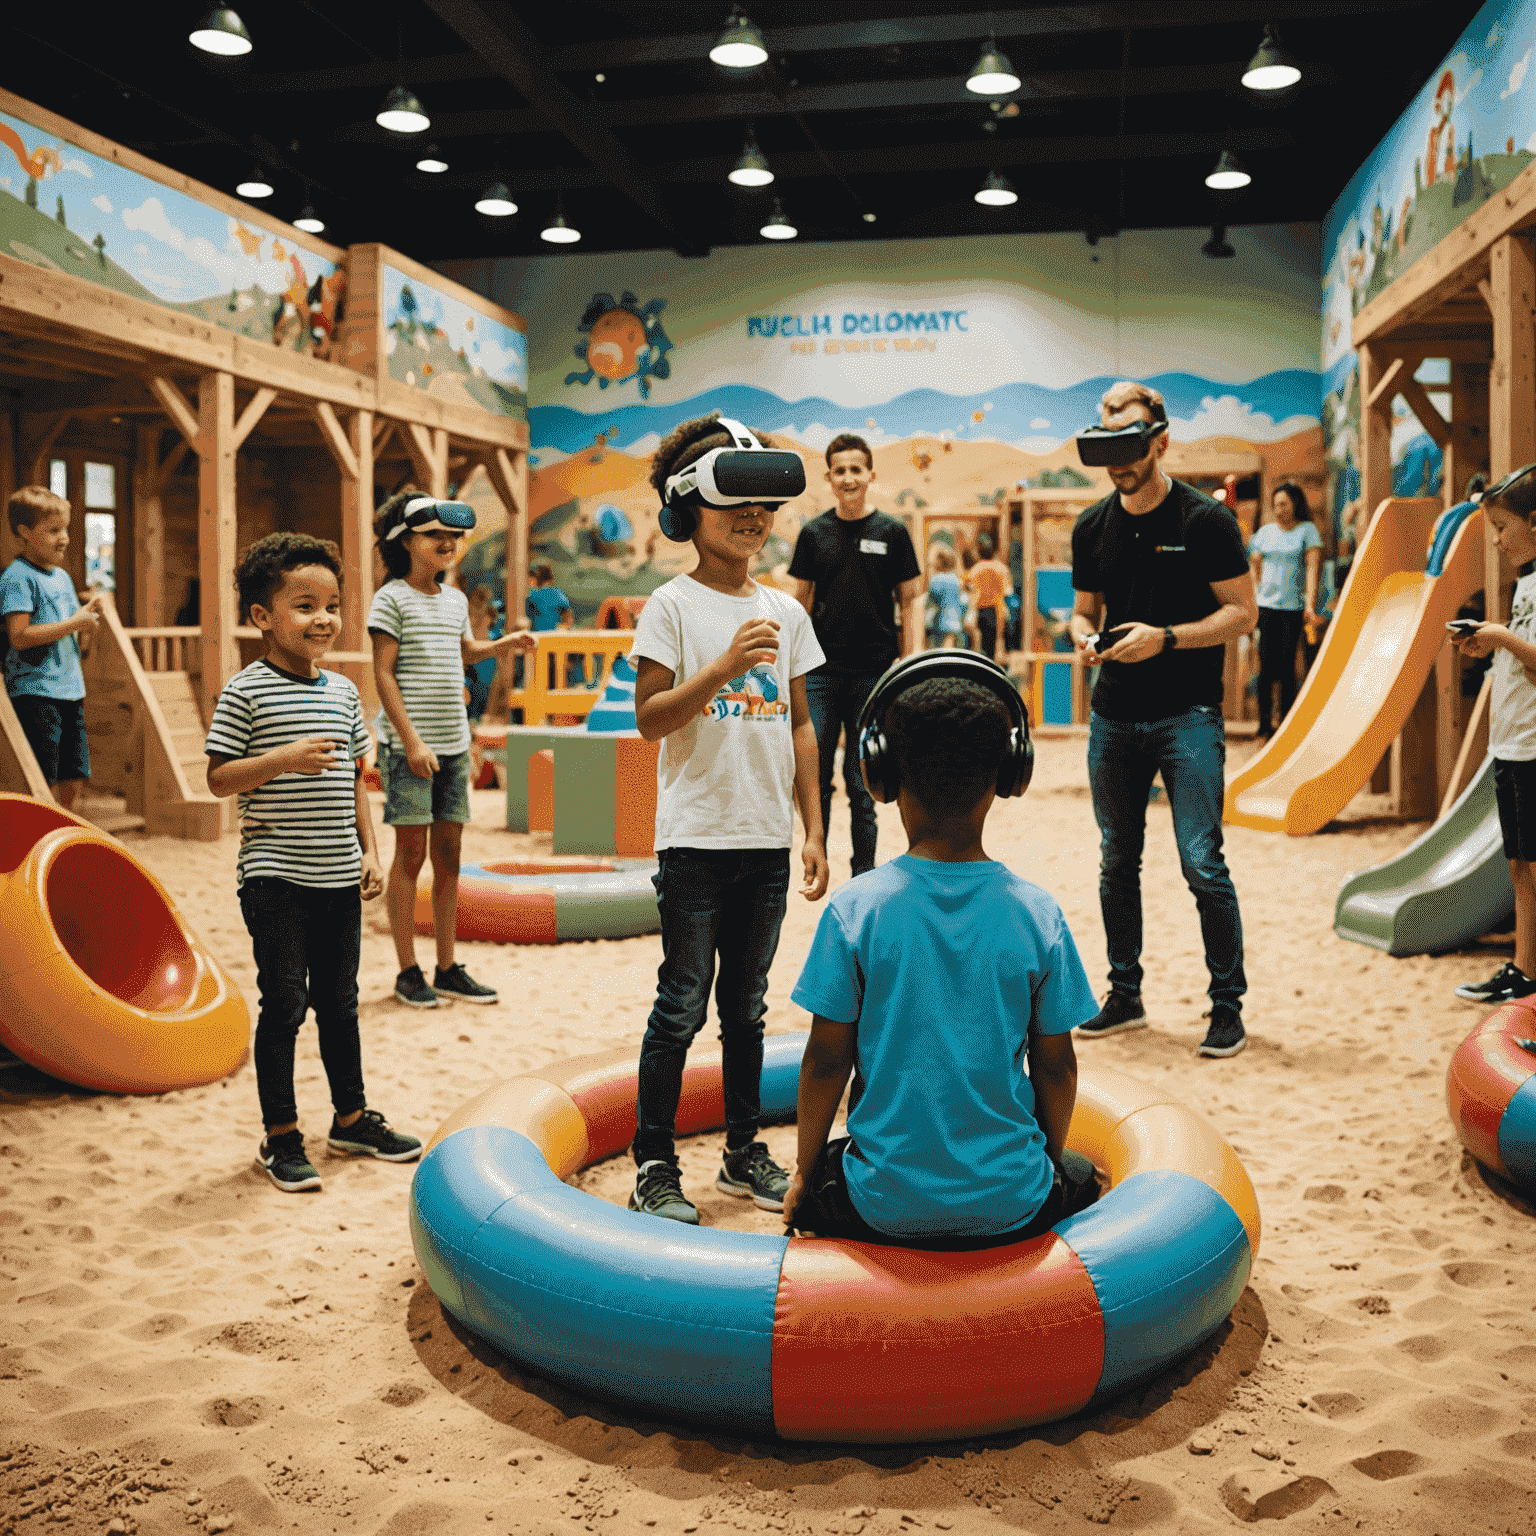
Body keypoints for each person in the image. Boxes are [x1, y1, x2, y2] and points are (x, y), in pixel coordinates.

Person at [782, 654, 1101, 1244]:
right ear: (1008, 776)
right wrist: (1048, 1163)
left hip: (882, 1207)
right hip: (1013, 1203)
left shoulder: (855, 911)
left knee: (827, 1171)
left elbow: (826, 1061)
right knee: (1083, 1175)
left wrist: (803, 1176)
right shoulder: (1039, 914)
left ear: (879, 776)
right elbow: (1056, 1066)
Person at [629, 414, 829, 1225]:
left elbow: (802, 724)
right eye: (732, 501)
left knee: (747, 1007)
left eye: (764, 505)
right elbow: (650, 719)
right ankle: (653, 1164)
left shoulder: (787, 613)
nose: (752, 517)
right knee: (682, 1000)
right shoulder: (670, 605)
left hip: (765, 843)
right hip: (695, 843)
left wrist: (814, 828)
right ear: (690, 510)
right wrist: (718, 667)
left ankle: (744, 1153)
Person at [205, 532, 422, 1193]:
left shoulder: (344, 692)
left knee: (341, 1002)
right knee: (286, 1003)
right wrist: (281, 760)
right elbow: (217, 779)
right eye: (304, 605)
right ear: (262, 618)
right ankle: (280, 1137)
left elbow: (356, 777)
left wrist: (371, 851)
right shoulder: (246, 691)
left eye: (332, 604)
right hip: (273, 873)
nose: (323, 618)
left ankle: (351, 1119)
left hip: (336, 873)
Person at [1068, 380, 1257, 1059]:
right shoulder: (1091, 527)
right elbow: (1085, 607)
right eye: (1109, 444)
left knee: (1202, 862)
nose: (1120, 460)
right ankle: (1125, 996)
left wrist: (1167, 638)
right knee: (1117, 860)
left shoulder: (1206, 521)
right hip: (1113, 715)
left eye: (1132, 443)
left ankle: (1225, 1007)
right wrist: (1081, 633)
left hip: (1188, 716)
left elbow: (1242, 613)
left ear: (1160, 440)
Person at [370, 490, 536, 1009]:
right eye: (433, 535)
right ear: (405, 541)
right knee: (410, 856)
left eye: (453, 537)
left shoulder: (455, 599)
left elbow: (464, 652)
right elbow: (383, 675)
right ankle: (407, 971)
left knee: (449, 860)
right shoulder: (390, 599)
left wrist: (503, 645)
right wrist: (412, 741)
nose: (446, 543)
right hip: (409, 750)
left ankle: (446, 967)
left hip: (453, 746)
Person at [788, 434, 922, 878]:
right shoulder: (813, 534)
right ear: (829, 478)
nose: (848, 478)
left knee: (863, 779)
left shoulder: (893, 532)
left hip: (875, 673)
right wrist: (791, 664)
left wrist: (911, 659)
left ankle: (864, 871)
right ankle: (816, 855)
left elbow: (910, 601)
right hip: (821, 674)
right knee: (816, 772)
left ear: (870, 475)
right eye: (839, 470)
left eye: (856, 469)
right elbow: (800, 604)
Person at [1449, 464, 1536, 1006]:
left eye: (1503, 527)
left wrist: (1500, 635)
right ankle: (1525, 969)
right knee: (1519, 864)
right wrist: (1492, 643)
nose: (1498, 539)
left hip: (1533, 746)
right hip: (1514, 741)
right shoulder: (1525, 582)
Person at [1, 486, 106, 809]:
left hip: (69, 689)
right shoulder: (17, 577)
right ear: (25, 532)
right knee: (41, 773)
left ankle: (65, 828)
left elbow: (75, 634)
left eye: (66, 529)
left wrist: (88, 625)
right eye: (53, 531)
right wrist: (76, 623)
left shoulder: (61, 577)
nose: (65, 538)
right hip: (35, 691)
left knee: (73, 770)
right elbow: (19, 635)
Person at [1248, 482, 1322, 738]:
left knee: (1288, 668)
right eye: (1276, 505)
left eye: (1284, 504)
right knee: (1266, 668)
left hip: (1293, 609)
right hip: (1266, 608)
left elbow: (1313, 569)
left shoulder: (1307, 530)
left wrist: (1310, 604)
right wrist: (1256, 592)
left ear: (1295, 505)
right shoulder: (1265, 532)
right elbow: (1253, 564)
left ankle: (1287, 726)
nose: (1279, 510)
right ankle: (1264, 724)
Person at [966, 530, 1014, 662]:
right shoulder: (1002, 568)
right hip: (998, 610)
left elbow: (970, 590)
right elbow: (1008, 591)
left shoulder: (975, 569)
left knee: (983, 645)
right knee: (998, 644)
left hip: (981, 610)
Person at [926, 545, 965, 648]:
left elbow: (932, 598)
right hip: (955, 620)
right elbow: (962, 601)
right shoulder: (956, 580)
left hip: (941, 620)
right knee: (949, 649)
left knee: (939, 650)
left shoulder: (937, 579)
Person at [526, 564, 572, 632]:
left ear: (537, 578)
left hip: (537, 635)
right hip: (554, 635)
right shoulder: (559, 594)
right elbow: (568, 616)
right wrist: (563, 627)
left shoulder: (533, 595)